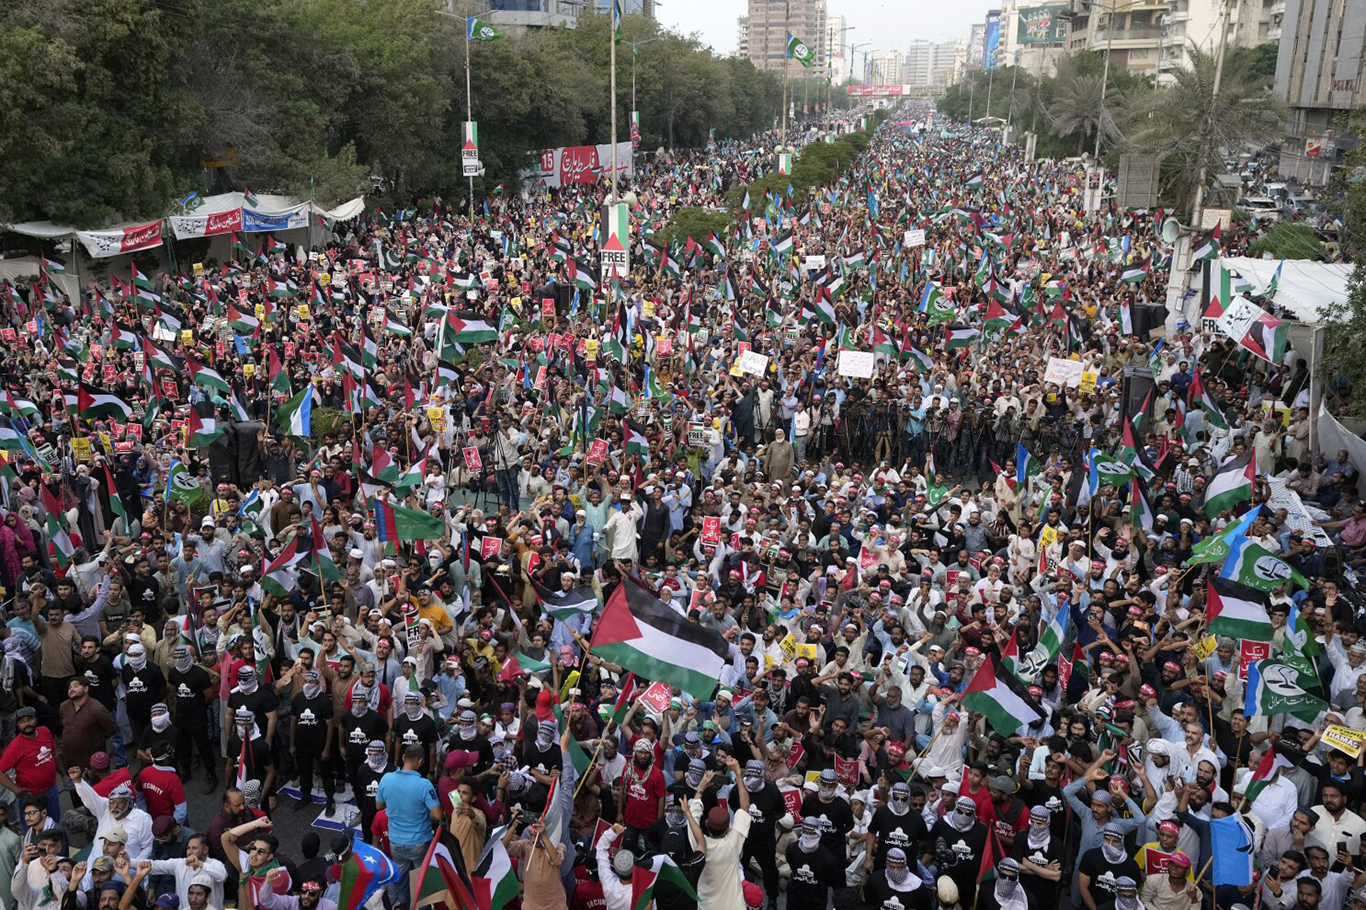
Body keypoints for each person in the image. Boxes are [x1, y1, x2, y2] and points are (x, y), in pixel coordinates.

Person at [375, 743, 441, 907]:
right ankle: (423, 906)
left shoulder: (386, 778)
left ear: (403, 757)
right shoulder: (424, 785)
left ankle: (405, 904)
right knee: (421, 880)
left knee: (402, 877)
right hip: (419, 842)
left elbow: (379, 806)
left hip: (396, 841)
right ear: (421, 762)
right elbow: (438, 815)